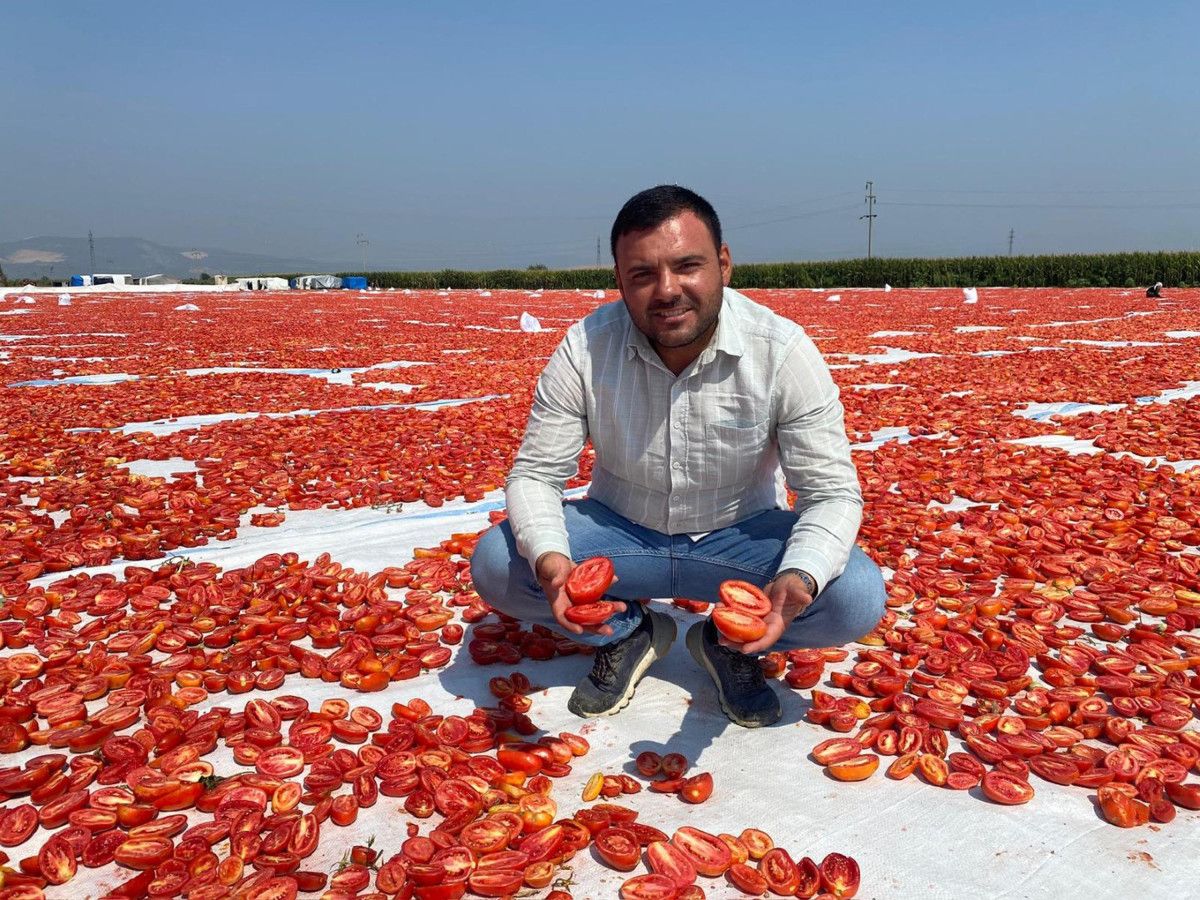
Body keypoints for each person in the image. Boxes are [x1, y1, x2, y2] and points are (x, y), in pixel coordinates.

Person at [471, 185, 886, 728]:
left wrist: (801, 578)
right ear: (619, 281)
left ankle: (729, 642)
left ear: (723, 264)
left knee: (853, 596)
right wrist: (552, 561)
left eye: (687, 265)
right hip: (621, 533)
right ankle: (630, 631)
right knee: (499, 566)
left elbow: (831, 493)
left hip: (738, 539)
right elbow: (536, 475)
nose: (667, 290)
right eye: (642, 274)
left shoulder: (781, 351)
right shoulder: (584, 348)